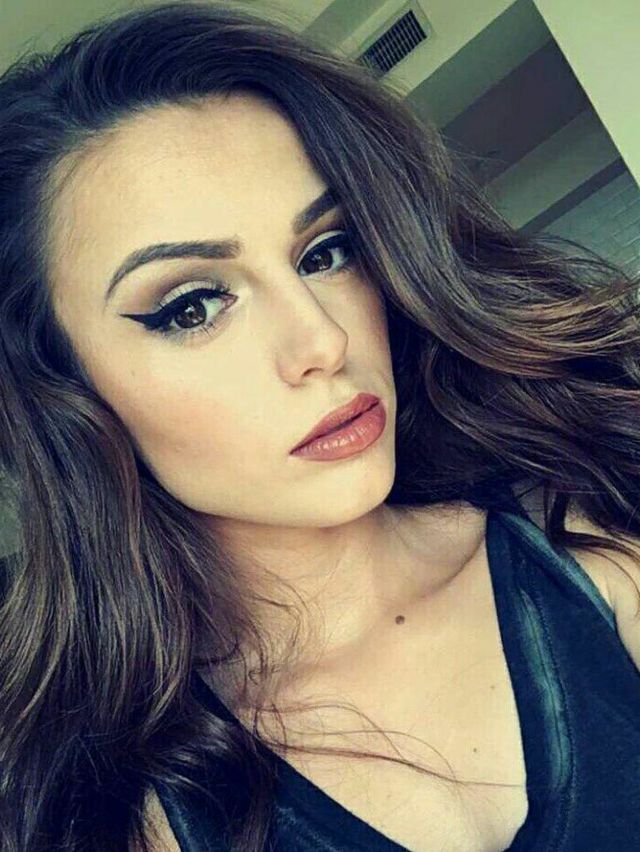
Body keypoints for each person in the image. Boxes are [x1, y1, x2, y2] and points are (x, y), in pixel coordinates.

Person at [0, 2, 639, 850]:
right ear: (64, 390)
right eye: (192, 306)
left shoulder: (599, 552)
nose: (323, 341)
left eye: (325, 252)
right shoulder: (124, 812)